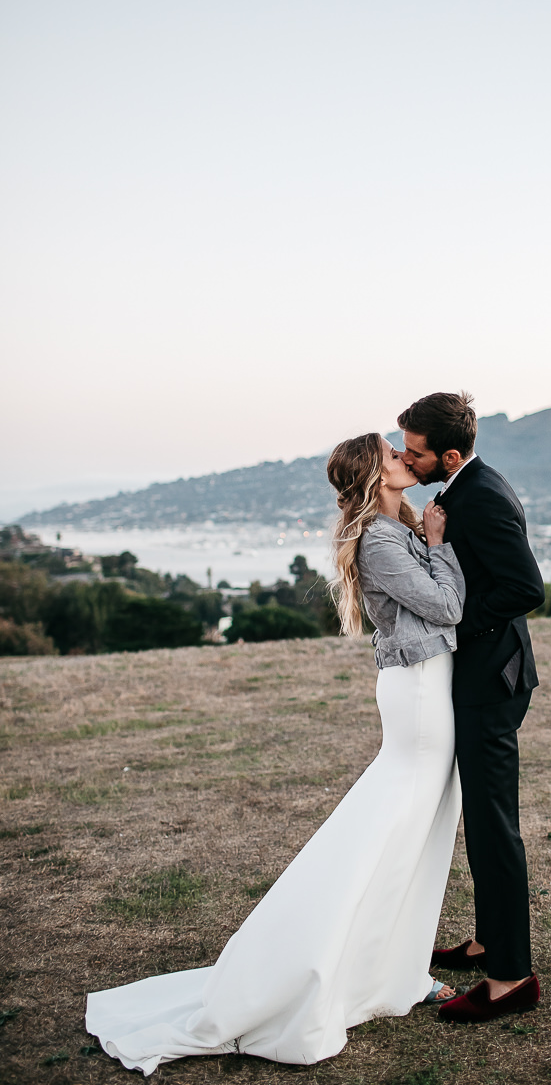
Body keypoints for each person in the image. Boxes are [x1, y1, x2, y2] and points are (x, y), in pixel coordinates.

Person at [85, 433, 466, 1072]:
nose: (406, 457)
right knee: (397, 833)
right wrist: (438, 545)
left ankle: (393, 970)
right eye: (392, 454)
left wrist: (424, 540)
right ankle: (353, 967)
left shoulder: (392, 528)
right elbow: (448, 606)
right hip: (421, 693)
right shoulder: (381, 539)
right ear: (375, 474)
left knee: (413, 836)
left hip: (426, 685)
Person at [398, 391, 546, 1023]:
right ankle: (488, 942)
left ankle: (510, 977)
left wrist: (457, 622)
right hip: (484, 676)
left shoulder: (480, 496)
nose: (407, 459)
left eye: (415, 452)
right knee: (483, 821)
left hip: (491, 682)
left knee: (493, 826)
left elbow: (525, 588)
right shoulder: (467, 486)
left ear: (450, 456)